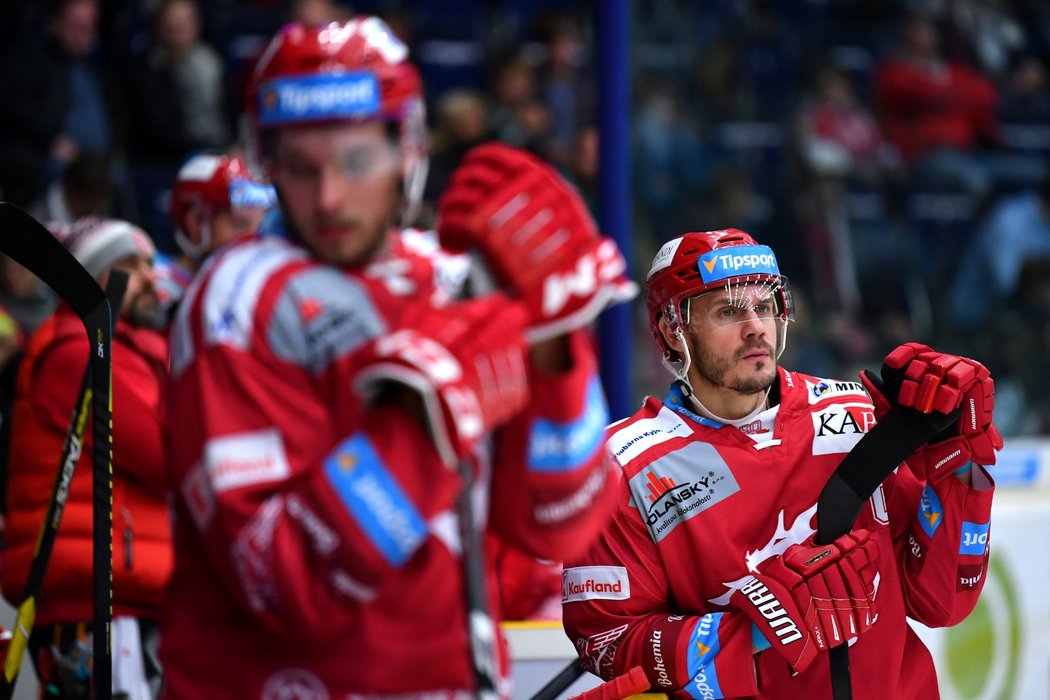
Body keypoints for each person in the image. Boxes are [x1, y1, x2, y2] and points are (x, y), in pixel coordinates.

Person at [160, 16, 634, 697]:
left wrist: (555, 335)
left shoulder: (448, 278)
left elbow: (558, 525)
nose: (328, 197)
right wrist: (426, 417)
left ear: (406, 146)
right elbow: (285, 586)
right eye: (300, 167)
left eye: (355, 160)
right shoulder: (239, 296)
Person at [562, 229, 1002, 698]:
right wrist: (761, 628)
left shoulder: (855, 415)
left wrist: (959, 467)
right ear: (674, 328)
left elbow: (943, 603)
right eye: (728, 311)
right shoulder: (624, 466)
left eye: (765, 305)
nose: (755, 326)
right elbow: (604, 642)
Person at [3, 217, 170, 699]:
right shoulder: (77, 349)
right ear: (90, 276)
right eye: (128, 267)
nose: (149, 278)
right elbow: (168, 454)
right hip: (97, 596)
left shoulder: (134, 350)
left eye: (148, 264)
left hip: (129, 590)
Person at [156, 152, 274, 318]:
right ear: (195, 223)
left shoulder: (243, 284)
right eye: (239, 224)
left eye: (257, 227)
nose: (251, 238)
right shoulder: (156, 289)